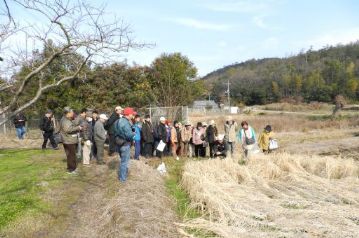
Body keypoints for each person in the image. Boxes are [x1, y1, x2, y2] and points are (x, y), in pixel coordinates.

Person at [115, 107, 136, 183]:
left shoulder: (118, 121)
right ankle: (122, 179)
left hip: (119, 143)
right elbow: (129, 135)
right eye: (132, 114)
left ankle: (122, 176)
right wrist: (133, 133)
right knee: (125, 162)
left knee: (122, 161)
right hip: (125, 144)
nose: (133, 115)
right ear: (128, 114)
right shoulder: (125, 122)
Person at [59, 107, 82, 174]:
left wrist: (78, 119)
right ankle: (71, 170)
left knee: (70, 155)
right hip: (69, 140)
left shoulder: (67, 119)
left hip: (68, 140)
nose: (73, 114)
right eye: (72, 112)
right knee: (71, 155)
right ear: (68, 113)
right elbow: (68, 129)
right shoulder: (65, 120)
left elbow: (72, 124)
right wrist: (78, 128)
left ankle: (71, 168)